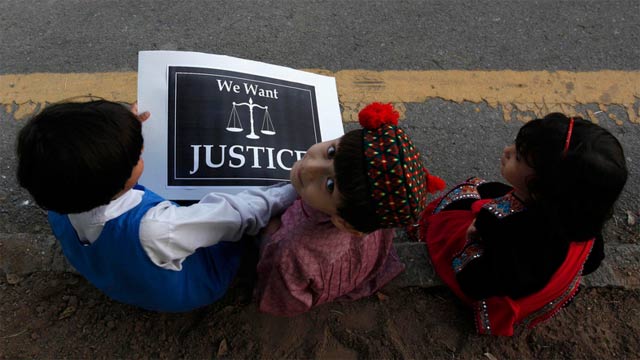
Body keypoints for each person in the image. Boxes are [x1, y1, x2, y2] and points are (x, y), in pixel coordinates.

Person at [16, 99, 297, 312]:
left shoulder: (59, 195)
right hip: (193, 286)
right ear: (119, 179)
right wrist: (295, 187)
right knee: (266, 224)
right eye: (137, 154)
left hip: (114, 274)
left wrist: (121, 132)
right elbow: (239, 213)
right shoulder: (157, 228)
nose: (142, 150)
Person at [419, 113, 628, 336]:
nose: (507, 151)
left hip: (491, 284)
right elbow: (592, 262)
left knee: (462, 199)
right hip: (536, 274)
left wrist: (475, 238)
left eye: (518, 157)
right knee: (484, 190)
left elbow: (475, 282)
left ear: (542, 189)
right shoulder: (580, 216)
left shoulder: (518, 235)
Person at [255, 102, 445, 316]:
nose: (309, 167)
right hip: (360, 264)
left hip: (307, 278)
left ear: (344, 222)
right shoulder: (371, 210)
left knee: (266, 229)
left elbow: (284, 300)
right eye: (331, 151)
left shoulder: (290, 250)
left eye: (329, 185)